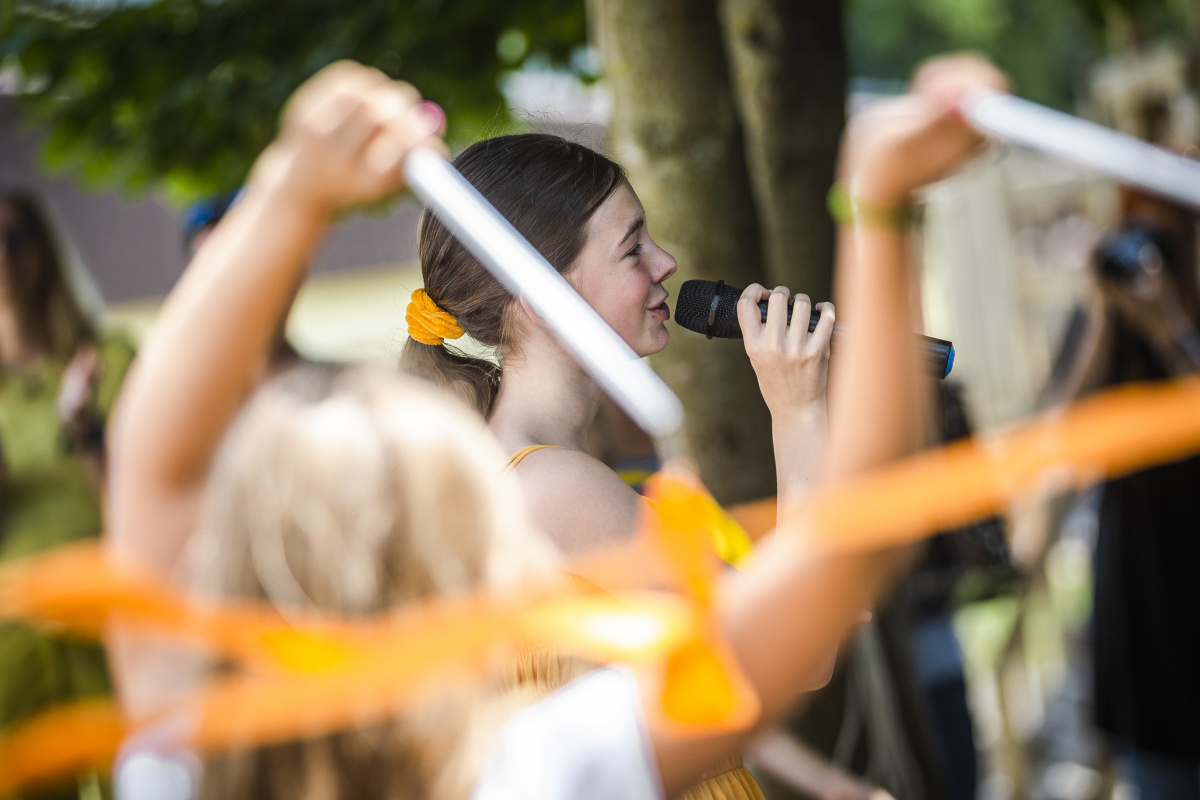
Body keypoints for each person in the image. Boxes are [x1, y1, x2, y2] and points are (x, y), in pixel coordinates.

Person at [107, 55, 1007, 800]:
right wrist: (800, 406)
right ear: (541, 297)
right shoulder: (552, 485)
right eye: (631, 246)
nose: (667, 263)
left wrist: (294, 191)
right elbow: (802, 645)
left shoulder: (555, 467)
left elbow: (152, 462)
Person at [1046, 184, 1200, 800]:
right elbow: (1058, 435)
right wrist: (1104, 319)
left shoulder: (1179, 320)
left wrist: (1169, 328)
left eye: (1168, 234)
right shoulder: (1104, 323)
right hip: (1144, 601)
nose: (1150, 252)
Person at [0, 188, 136, 800]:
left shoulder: (108, 358)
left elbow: (142, 496)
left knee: (137, 778)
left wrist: (84, 430)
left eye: (14, 238)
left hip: (110, 611)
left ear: (45, 251)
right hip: (14, 626)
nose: (2, 257)